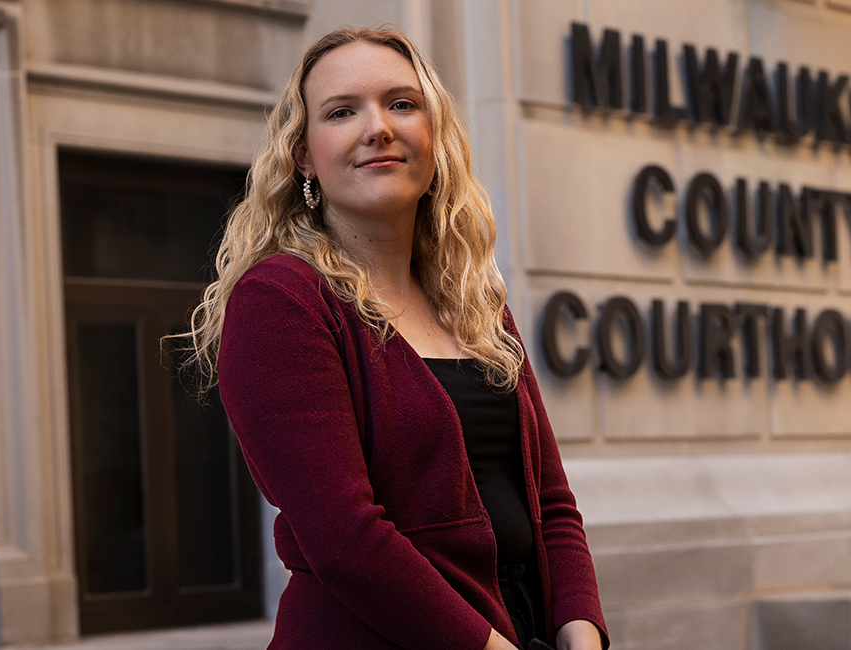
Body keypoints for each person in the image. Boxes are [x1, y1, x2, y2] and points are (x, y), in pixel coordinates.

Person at [183, 26, 608, 650]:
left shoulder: (473, 300)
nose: (377, 127)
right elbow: (344, 539)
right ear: (303, 154)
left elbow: (551, 502)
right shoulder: (281, 301)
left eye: (402, 103)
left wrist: (583, 633)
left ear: (434, 135)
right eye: (341, 111)